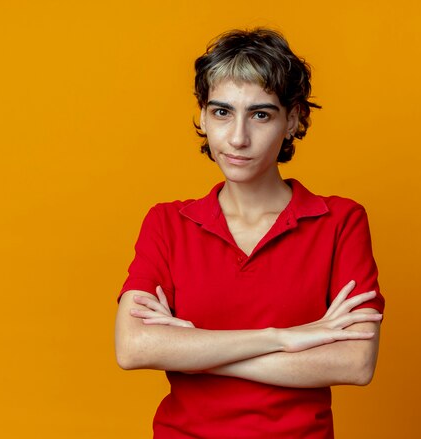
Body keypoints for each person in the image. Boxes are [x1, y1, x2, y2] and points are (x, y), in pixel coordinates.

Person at [114, 28, 385, 439]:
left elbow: (355, 363)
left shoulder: (339, 221)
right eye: (222, 112)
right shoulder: (167, 223)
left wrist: (194, 350)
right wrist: (282, 338)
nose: (238, 138)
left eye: (261, 114)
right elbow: (134, 348)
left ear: (293, 119)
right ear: (203, 116)